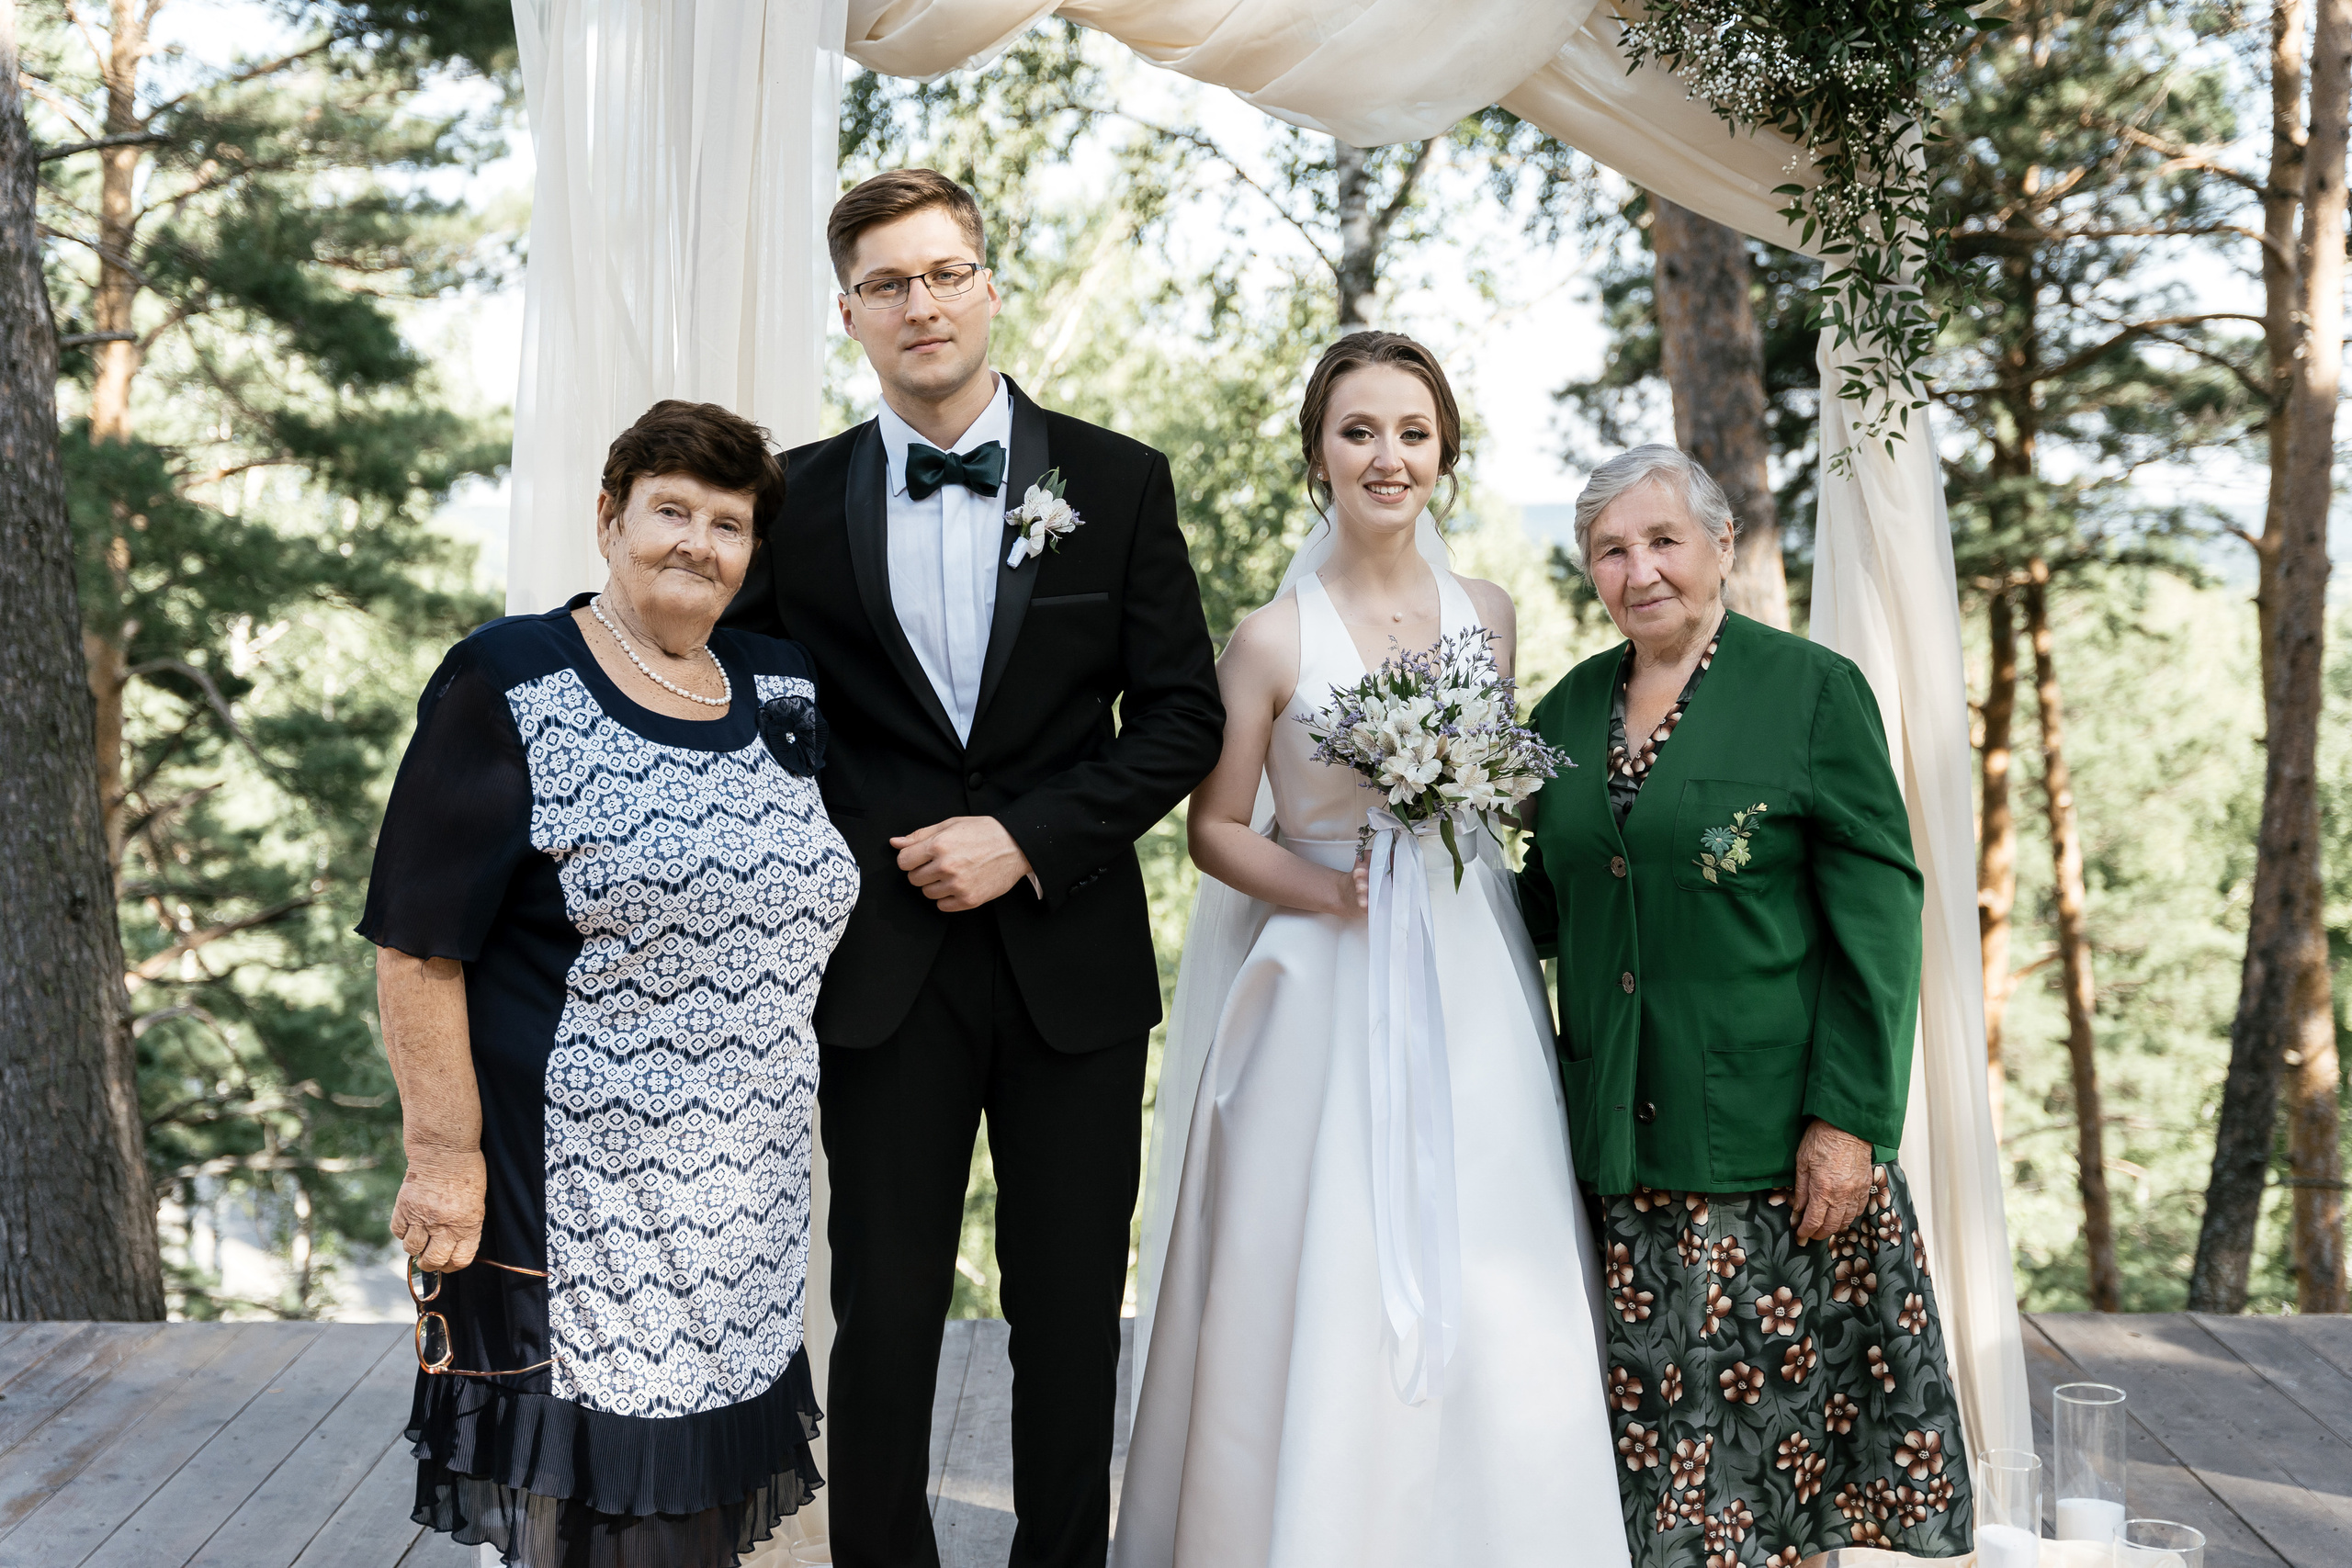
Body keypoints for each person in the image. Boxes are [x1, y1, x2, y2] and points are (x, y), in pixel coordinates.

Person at [722, 169, 1223, 1568]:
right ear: (851, 312)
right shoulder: (794, 500)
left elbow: (1183, 711)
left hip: (1071, 958)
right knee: (883, 1309)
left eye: (945, 273)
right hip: (879, 971)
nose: (921, 304)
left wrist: (1029, 836)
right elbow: (755, 709)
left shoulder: (1115, 482)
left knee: (1067, 1309)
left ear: (989, 286)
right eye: (889, 283)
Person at [1117, 332, 1631, 1568]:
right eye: (1360, 431)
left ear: (1444, 455)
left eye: (1412, 431)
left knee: (1488, 1234)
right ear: (1318, 457)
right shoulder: (1271, 637)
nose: (1387, 455)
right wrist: (1330, 888)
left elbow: (1501, 795)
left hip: (1467, 973)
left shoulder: (1490, 615)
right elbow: (1216, 830)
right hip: (1319, 981)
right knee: (1317, 1249)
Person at [361, 400, 856, 1568]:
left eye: (726, 524)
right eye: (669, 511)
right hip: (574, 1195)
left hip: (745, 1201)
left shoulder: (781, 686)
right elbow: (416, 945)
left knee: (687, 1520)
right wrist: (443, 1160)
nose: (696, 542)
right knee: (610, 1527)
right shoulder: (510, 678)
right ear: (607, 518)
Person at [1518, 444, 1973, 1564]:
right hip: (1614, 1155)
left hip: (1775, 1161)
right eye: (1610, 550)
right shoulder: (1565, 712)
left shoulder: (1810, 692)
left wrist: (1850, 1121)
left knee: (1774, 1483)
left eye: (1662, 540)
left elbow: (1879, 920)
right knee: (1650, 1484)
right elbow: (1541, 906)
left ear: (1721, 546)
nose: (1640, 571)